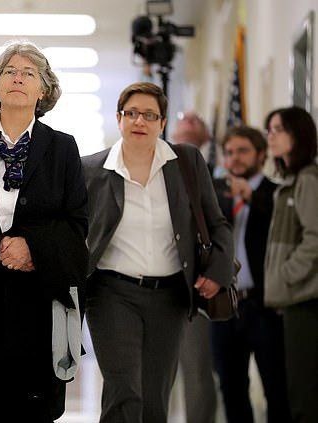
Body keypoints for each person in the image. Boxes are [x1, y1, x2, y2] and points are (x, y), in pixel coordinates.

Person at [83, 82, 234, 423]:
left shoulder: (186, 162)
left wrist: (217, 272)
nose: (140, 121)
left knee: (155, 396)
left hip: (170, 296)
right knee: (124, 391)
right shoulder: (91, 170)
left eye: (150, 115)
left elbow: (217, 224)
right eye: (132, 113)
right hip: (111, 294)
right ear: (119, 118)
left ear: (162, 123)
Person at [0, 41, 88, 422]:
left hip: (40, 305)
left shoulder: (62, 149)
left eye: (29, 73)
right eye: (9, 72)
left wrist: (32, 247)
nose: (18, 78)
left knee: (36, 412)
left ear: (43, 90)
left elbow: (76, 225)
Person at [211, 125, 290, 423]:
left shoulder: (276, 192)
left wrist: (251, 195)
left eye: (243, 151)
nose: (235, 158)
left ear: (261, 154)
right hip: (225, 305)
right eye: (229, 152)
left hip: (265, 306)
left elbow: (280, 224)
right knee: (231, 388)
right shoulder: (216, 194)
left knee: (276, 387)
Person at [264, 106, 318, 423]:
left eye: (278, 129)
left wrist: (287, 276)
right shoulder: (290, 181)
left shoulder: (308, 179)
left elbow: (315, 238)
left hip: (306, 300)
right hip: (293, 299)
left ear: (297, 135)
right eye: (269, 130)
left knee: (304, 395)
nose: (271, 136)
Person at [171, 110, 218, 423]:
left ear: (207, 136)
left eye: (195, 118)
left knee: (197, 369)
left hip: (196, 285)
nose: (188, 118)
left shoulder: (218, 175)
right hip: (149, 282)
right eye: (182, 116)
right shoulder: (154, 168)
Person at [173, 110, 224, 177]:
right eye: (184, 118)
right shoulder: (164, 166)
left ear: (206, 136)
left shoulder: (213, 172)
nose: (189, 121)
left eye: (195, 119)